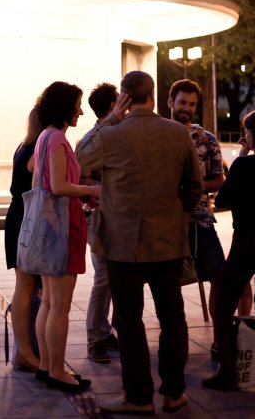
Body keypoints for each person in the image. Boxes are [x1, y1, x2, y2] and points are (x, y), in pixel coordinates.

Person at [77, 71, 202, 415]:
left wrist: (111, 119)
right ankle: (174, 392)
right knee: (172, 318)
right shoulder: (177, 133)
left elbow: (80, 157)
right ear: (154, 95)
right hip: (167, 242)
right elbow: (194, 185)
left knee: (128, 321)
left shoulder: (112, 134)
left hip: (121, 243)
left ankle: (138, 396)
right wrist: (178, 215)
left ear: (124, 98)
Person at [202, 109, 255, 391]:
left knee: (224, 305)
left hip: (248, 242)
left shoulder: (243, 165)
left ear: (254, 134)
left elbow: (222, 199)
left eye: (247, 131)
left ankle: (228, 372)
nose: (245, 135)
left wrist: (241, 156)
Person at [32, 81, 100, 393]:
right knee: (60, 305)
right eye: (77, 106)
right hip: (62, 226)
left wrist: (81, 193)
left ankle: (46, 366)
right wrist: (91, 190)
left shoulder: (44, 136)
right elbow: (59, 187)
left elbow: (44, 181)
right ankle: (58, 371)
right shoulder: (58, 138)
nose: (81, 112)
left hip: (48, 226)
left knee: (48, 301)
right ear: (64, 107)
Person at [168, 79, 227, 356]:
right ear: (170, 101)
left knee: (219, 277)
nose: (187, 108)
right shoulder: (159, 134)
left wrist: (192, 187)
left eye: (192, 104)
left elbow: (219, 179)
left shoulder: (206, 139)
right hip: (166, 222)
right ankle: (174, 340)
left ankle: (221, 339)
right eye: (182, 102)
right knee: (165, 283)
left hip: (200, 219)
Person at [75, 83, 119, 364]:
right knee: (103, 277)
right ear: (113, 105)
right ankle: (95, 340)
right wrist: (103, 192)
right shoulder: (94, 139)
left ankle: (104, 331)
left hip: (115, 217)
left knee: (112, 277)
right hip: (98, 217)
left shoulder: (111, 134)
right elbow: (82, 177)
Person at [4, 104, 43, 372]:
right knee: (27, 285)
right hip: (25, 218)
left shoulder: (24, 145)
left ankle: (26, 350)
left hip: (18, 216)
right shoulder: (35, 149)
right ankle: (25, 352)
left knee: (27, 286)